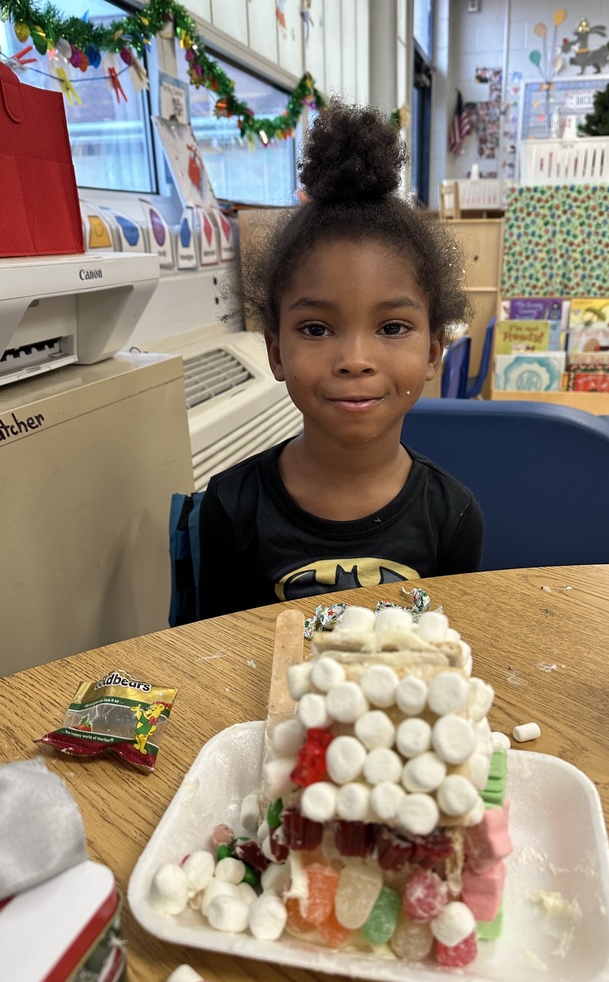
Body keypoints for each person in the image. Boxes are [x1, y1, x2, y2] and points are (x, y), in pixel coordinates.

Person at [198, 100, 484, 618]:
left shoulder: (454, 515)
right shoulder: (230, 506)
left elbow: (446, 663)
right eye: (316, 328)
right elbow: (212, 661)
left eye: (392, 327)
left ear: (433, 352)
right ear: (277, 352)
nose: (355, 360)